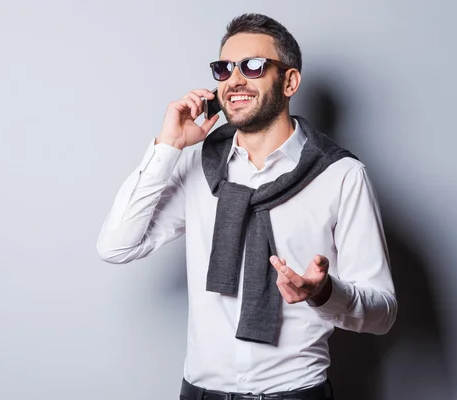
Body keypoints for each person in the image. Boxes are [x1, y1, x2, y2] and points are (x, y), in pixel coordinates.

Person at [97, 12, 397, 400]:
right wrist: (167, 146)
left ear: (289, 81)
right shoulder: (196, 164)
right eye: (224, 69)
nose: (234, 80)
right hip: (201, 393)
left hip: (296, 394)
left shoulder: (340, 176)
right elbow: (116, 246)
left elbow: (382, 314)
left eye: (253, 66)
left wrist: (325, 293)